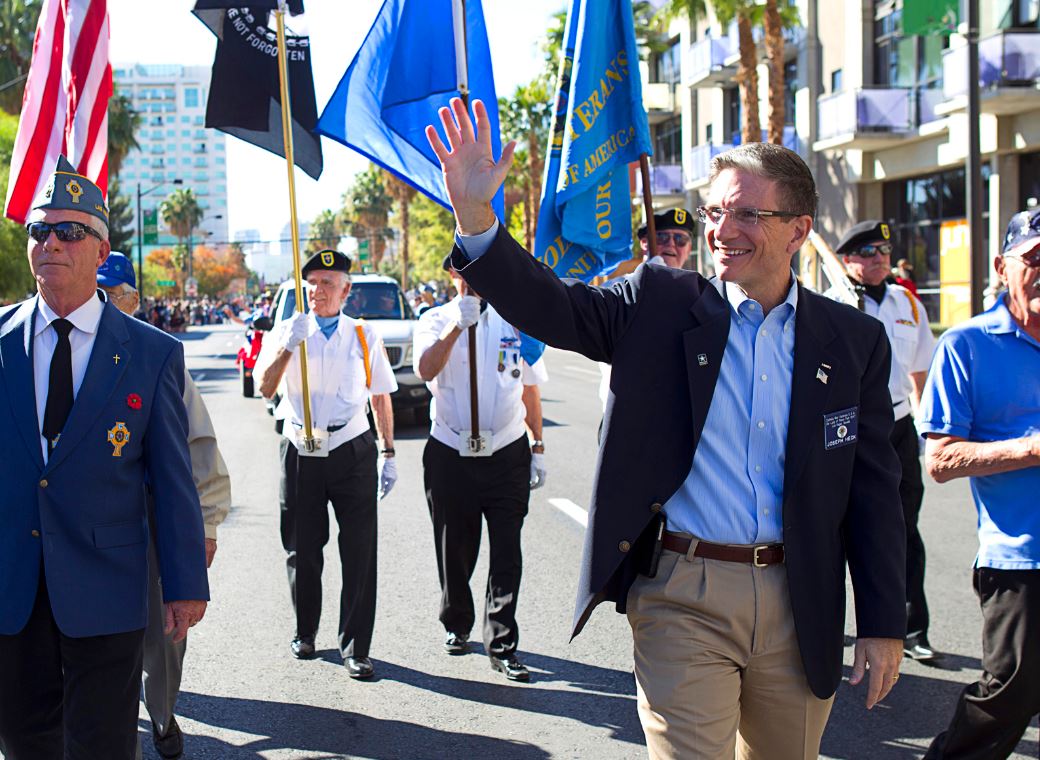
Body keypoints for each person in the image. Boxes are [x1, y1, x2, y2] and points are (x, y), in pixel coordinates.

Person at [426, 99, 905, 758]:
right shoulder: (661, 301)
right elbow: (556, 307)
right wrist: (477, 218)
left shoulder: (854, 341)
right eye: (715, 212)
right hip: (684, 594)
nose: (721, 230)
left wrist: (883, 621)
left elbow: (874, 493)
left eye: (746, 214)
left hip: (803, 601)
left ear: (798, 230)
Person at [0, 156, 209, 759]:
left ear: (100, 249)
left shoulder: (152, 354)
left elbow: (172, 481)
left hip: (106, 586)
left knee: (102, 745)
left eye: (69, 231)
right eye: (40, 230)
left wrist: (184, 582)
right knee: (22, 740)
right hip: (14, 584)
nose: (51, 244)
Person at [96, 253, 231, 760]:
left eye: (113, 294)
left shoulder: (157, 359)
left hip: (154, 521)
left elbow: (200, 446)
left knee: (164, 637)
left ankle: (163, 714)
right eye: (97, 292)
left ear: (133, 300)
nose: (104, 303)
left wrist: (208, 524)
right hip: (91, 524)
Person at [920, 207, 1040, 759]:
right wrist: (1029, 447)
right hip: (1021, 561)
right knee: (1009, 700)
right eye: (1035, 259)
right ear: (1003, 266)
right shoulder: (967, 344)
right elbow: (940, 459)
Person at [254, 249, 397, 680]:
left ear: (346, 291)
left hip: (351, 446)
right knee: (302, 546)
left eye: (328, 283)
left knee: (358, 550)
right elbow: (264, 388)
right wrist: (286, 347)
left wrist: (388, 451)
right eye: (312, 283)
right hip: (301, 447)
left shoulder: (363, 334)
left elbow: (380, 395)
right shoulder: (286, 330)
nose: (318, 291)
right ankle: (305, 631)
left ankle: (355, 646)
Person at [413, 262, 548, 682]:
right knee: (455, 547)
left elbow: (528, 385)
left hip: (507, 448)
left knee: (507, 549)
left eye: (478, 271)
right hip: (451, 450)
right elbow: (425, 369)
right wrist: (457, 326)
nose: (470, 280)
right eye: (462, 272)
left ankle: (503, 642)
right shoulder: (434, 319)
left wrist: (538, 444)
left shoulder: (515, 320)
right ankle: (457, 622)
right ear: (452, 275)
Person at [826, 221, 940, 662]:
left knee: (903, 528)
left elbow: (920, 372)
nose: (879, 258)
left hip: (895, 425)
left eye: (884, 251)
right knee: (833, 529)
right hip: (844, 428)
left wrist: (926, 430)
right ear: (848, 257)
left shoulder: (907, 303)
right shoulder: (832, 303)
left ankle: (912, 629)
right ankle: (827, 626)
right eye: (868, 251)